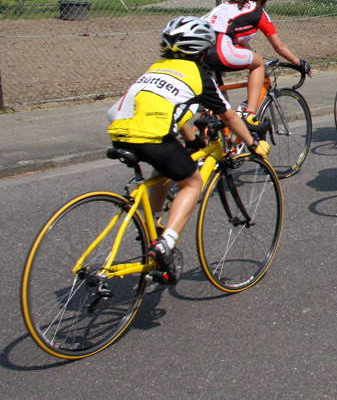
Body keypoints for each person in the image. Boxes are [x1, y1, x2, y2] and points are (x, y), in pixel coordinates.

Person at [107, 16, 271, 285]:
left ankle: (156, 225)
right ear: (203, 51)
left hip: (120, 133)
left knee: (165, 170)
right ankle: (164, 244)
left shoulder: (156, 67)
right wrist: (253, 144)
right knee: (192, 182)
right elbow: (229, 117)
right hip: (153, 138)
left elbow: (176, 108)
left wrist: (192, 139)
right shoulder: (199, 76)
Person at [204, 0, 311, 125]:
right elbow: (279, 46)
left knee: (222, 105)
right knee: (259, 64)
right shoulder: (257, 10)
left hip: (198, 51)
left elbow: (242, 40)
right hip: (220, 48)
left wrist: (252, 55)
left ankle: (226, 140)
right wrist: (299, 63)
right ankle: (250, 114)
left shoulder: (226, 5)